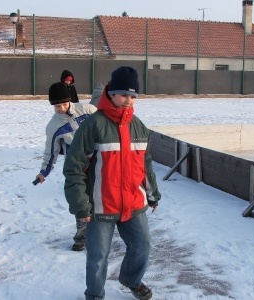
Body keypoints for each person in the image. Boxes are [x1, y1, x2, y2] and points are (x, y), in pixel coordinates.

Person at [63, 66, 161, 300]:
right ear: (111, 93)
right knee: (98, 257)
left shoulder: (138, 126)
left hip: (133, 202)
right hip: (100, 206)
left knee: (143, 246)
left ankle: (131, 279)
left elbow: (145, 166)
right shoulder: (93, 125)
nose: (128, 100)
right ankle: (95, 295)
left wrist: (152, 193)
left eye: (133, 96)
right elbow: (75, 167)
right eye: (124, 95)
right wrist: (80, 205)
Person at [34, 81, 98, 251]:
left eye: (63, 104)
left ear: (69, 100)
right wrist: (43, 172)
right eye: (56, 106)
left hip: (98, 161)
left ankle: (101, 232)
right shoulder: (54, 126)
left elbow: (105, 129)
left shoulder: (87, 110)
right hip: (77, 167)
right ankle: (81, 238)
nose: (61, 108)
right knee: (81, 202)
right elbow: (51, 152)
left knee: (100, 198)